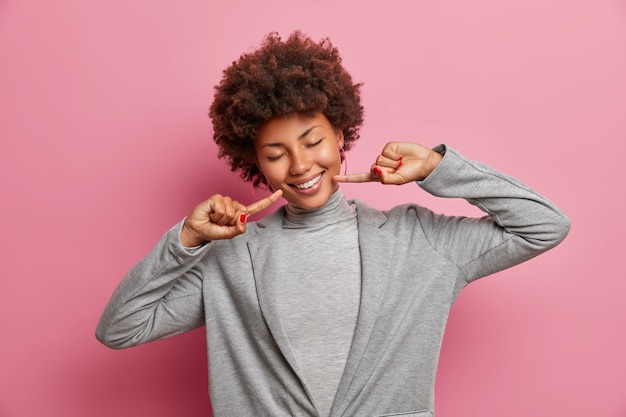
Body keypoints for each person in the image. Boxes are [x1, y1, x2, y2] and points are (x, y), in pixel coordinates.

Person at [96, 31, 570, 417]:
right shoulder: (230, 259)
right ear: (255, 164)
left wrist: (438, 169)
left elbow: (544, 225)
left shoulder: (420, 241)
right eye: (276, 154)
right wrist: (186, 240)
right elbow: (120, 328)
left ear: (341, 134)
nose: (300, 165)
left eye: (312, 141)